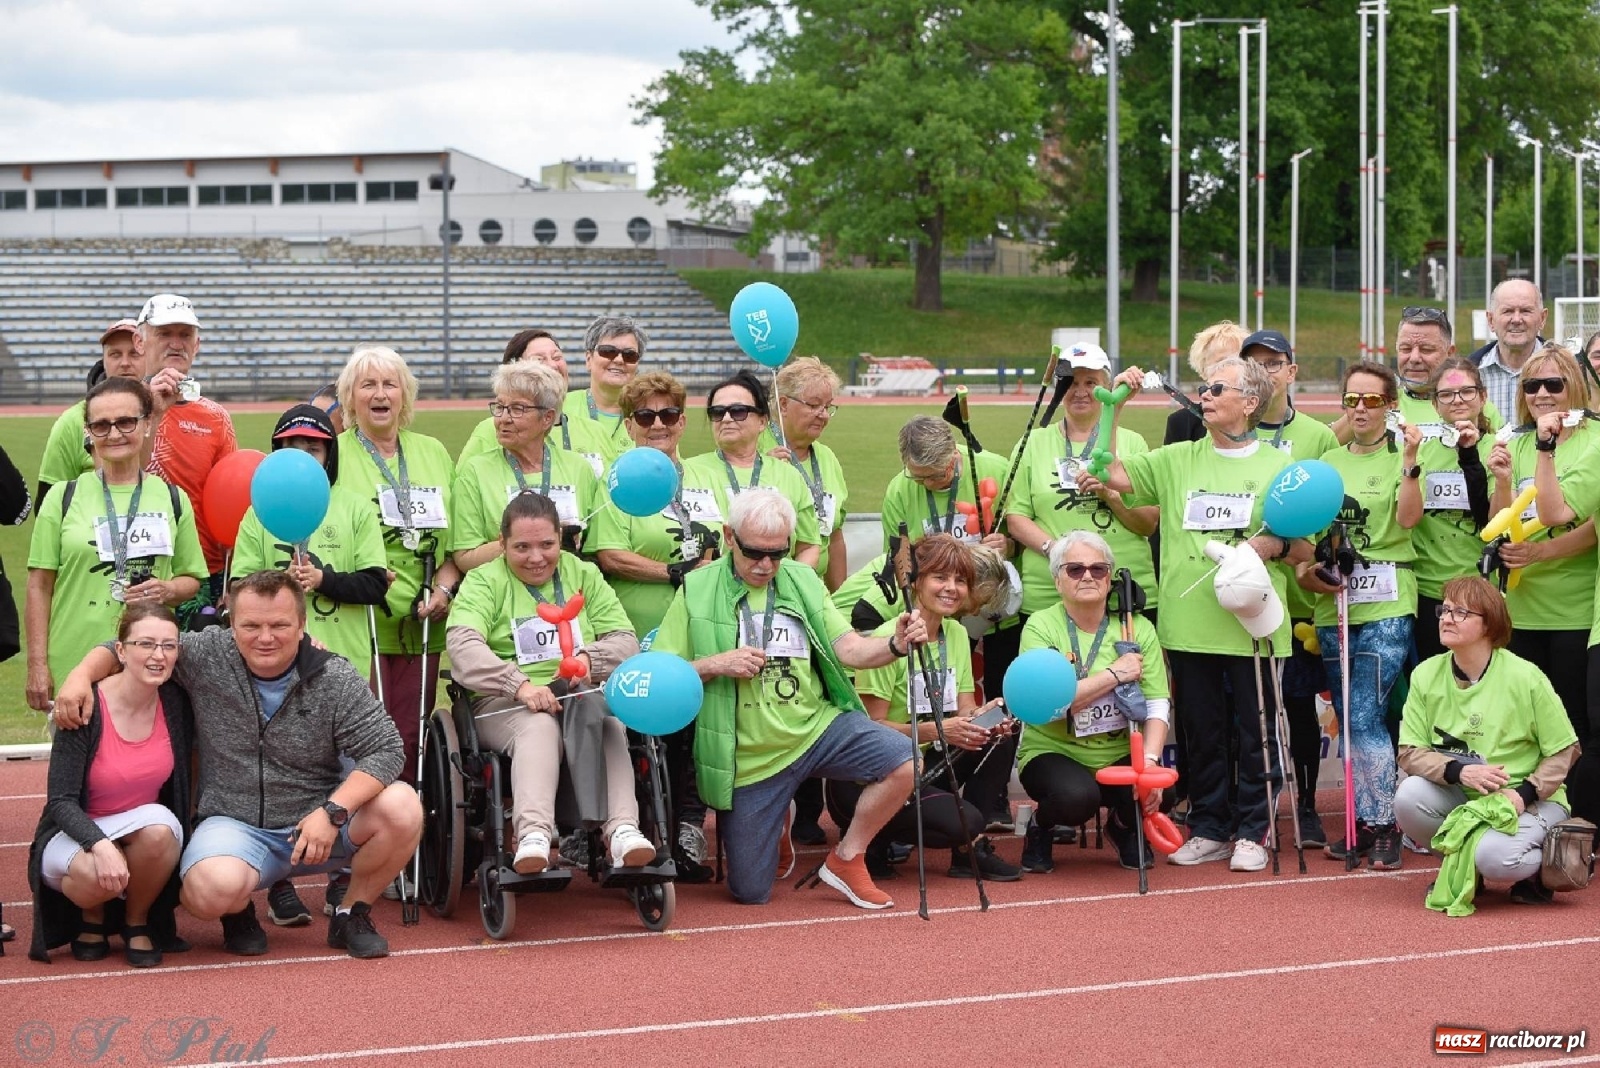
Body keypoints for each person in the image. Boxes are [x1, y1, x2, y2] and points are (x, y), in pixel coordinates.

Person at [52, 570, 422, 959]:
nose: (265, 637)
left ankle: (352, 912)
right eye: (251, 625)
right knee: (205, 892)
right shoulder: (205, 655)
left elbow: (387, 748)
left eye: (279, 625)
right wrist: (80, 675)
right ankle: (237, 910)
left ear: (301, 626)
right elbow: (128, 645)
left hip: (319, 823)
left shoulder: (334, 675)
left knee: (403, 805)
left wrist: (333, 811)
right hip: (235, 824)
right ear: (231, 625)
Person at [1080, 357, 1309, 873]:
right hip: (1187, 625)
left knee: (1258, 732)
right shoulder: (1176, 458)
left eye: (1216, 388)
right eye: (1202, 388)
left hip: (1254, 628)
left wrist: (1274, 545)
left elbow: (1304, 549)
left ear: (1250, 403)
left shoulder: (1279, 468)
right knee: (1202, 733)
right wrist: (1115, 408)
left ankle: (1254, 828)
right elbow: (1106, 471)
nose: (1203, 395)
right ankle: (1210, 825)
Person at [649, 487, 926, 909]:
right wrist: (714, 664)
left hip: (816, 728)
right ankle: (776, 815)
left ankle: (847, 858)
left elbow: (847, 647)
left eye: (777, 554)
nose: (766, 565)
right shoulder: (696, 588)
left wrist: (894, 645)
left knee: (905, 760)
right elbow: (663, 675)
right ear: (728, 537)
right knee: (750, 893)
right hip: (750, 760)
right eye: (754, 552)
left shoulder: (802, 579)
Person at [231, 402, 390, 928]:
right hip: (273, 667)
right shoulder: (258, 512)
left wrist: (324, 580)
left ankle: (344, 876)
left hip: (341, 663)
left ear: (330, 453)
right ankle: (278, 883)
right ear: (277, 453)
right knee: (280, 772)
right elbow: (235, 591)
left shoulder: (355, 507)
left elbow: (375, 584)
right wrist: (280, 595)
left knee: (350, 771)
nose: (304, 455)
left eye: (314, 446)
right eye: (293, 446)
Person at [445, 492, 654, 873]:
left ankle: (623, 830)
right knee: (538, 726)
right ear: (502, 543)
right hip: (504, 703)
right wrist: (519, 685)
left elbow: (625, 638)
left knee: (608, 718)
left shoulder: (583, 574)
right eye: (522, 547)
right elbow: (463, 647)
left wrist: (593, 658)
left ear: (561, 538)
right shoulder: (483, 581)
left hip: (580, 694)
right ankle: (534, 835)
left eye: (546, 545)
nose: (536, 557)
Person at [590, 371, 724, 868]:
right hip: (633, 627)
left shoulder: (706, 477)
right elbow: (608, 554)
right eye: (645, 415)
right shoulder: (617, 481)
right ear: (628, 425)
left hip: (696, 629)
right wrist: (674, 571)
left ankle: (689, 825)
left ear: (683, 421)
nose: (657, 424)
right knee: (631, 729)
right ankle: (622, 825)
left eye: (668, 415)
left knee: (691, 729)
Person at [1296, 362, 1419, 869]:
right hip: (1335, 603)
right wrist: (1312, 573)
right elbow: (1304, 538)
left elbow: (1409, 519)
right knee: (1349, 714)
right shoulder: (1327, 461)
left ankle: (1384, 823)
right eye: (1352, 401)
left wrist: (1410, 462)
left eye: (1372, 400)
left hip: (1389, 597)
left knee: (1366, 710)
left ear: (1391, 406)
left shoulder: (1404, 457)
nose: (1361, 410)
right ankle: (1365, 820)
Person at [846, 534, 1022, 881]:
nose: (951, 588)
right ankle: (876, 836)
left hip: (931, 758)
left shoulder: (955, 633)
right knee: (963, 820)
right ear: (916, 582)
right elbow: (869, 727)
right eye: (940, 577)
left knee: (999, 736)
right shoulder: (888, 638)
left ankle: (969, 850)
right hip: (884, 769)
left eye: (960, 580)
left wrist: (986, 717)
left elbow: (965, 709)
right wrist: (938, 730)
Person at [1395, 576, 1579, 905]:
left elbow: (1566, 750)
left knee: (1495, 858)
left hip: (1530, 801)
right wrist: (1457, 772)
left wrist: (1525, 794)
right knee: (1408, 797)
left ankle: (1544, 865)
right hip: (1464, 797)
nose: (1446, 618)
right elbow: (1410, 752)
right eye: (1445, 609)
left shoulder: (1525, 676)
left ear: (1489, 625)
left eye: (1461, 612)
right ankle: (1466, 867)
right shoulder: (1425, 674)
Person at [25, 379, 205, 714]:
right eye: (101, 425)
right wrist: (37, 664)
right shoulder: (61, 498)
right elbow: (39, 585)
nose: (114, 433)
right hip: (74, 659)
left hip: (150, 662)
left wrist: (167, 589)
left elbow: (191, 580)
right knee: (77, 764)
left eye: (126, 422)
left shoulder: (172, 498)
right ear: (88, 432)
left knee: (150, 763)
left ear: (147, 423)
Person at [28, 604, 191, 967]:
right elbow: (60, 801)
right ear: (120, 650)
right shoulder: (84, 706)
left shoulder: (174, 702)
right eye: (145, 644)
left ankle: (136, 920)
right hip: (73, 829)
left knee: (163, 830)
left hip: (136, 825)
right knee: (94, 878)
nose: (158, 655)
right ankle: (93, 917)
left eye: (169, 646)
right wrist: (99, 844)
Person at [333, 344, 460, 784]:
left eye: (390, 384)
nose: (380, 393)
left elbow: (456, 545)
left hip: (424, 619)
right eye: (368, 384)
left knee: (410, 735)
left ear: (405, 395)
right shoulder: (335, 454)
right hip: (359, 620)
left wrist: (443, 589)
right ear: (350, 397)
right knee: (361, 737)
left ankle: (405, 827)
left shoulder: (433, 452)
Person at [1016, 532, 1171, 873]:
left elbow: (1158, 702)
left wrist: (1148, 763)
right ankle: (1041, 825)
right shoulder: (1040, 627)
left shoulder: (1137, 627)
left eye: (1098, 569)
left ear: (1110, 577)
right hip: (1054, 749)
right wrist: (1114, 675)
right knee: (1076, 798)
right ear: (1057, 581)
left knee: (1165, 786)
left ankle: (1123, 826)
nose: (1087, 576)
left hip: (1118, 750)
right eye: (1074, 569)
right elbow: (1047, 705)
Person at [1486, 343, 1596, 747]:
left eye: (1554, 383)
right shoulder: (1516, 442)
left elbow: (1586, 526)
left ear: (1576, 388)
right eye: (1532, 386)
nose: (1542, 394)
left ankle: (1578, 808)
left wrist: (1541, 552)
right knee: (1528, 725)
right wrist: (1500, 482)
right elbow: (1499, 522)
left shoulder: (1594, 439)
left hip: (1574, 608)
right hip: (1521, 607)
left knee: (1574, 720)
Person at [137, 293, 238, 613]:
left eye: (185, 335)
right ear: (141, 342)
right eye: (164, 334)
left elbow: (232, 504)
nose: (175, 343)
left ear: (198, 345)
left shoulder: (216, 417)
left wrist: (232, 581)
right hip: (133, 568)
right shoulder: (121, 406)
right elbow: (111, 476)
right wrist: (150, 409)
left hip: (202, 572)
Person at [451, 361, 605, 570]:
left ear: (547, 418)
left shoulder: (578, 469)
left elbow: (593, 547)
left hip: (568, 595)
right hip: (502, 596)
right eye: (500, 407)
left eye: (517, 409)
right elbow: (465, 558)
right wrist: (534, 541)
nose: (503, 419)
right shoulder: (476, 472)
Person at [682, 369, 822, 569]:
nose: (727, 418)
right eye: (718, 412)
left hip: (774, 592)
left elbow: (808, 546)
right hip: (710, 591)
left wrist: (787, 584)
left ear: (762, 421)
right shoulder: (689, 471)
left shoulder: (788, 475)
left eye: (738, 411)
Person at [1410, 358, 1493, 661]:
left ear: (1483, 397)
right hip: (1429, 588)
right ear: (1434, 404)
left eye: (1466, 392)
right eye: (1446, 394)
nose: (1457, 400)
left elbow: (1493, 520)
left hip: (1481, 587)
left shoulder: (1499, 448)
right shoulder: (1419, 452)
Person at [459, 330, 611, 478]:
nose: (552, 365)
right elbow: (465, 482)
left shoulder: (595, 431)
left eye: (557, 357)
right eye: (539, 360)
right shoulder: (491, 430)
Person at [37, 319, 143, 502]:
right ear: (104, 360)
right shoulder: (71, 422)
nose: (125, 363)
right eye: (115, 354)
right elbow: (47, 504)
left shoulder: (165, 415)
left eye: (134, 353)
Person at [767, 357, 850, 590]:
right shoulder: (756, 453)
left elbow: (833, 536)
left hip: (813, 589)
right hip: (768, 587)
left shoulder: (827, 458)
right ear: (783, 404)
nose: (823, 415)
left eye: (827, 407)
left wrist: (838, 601)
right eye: (813, 405)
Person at [562, 315, 648, 467]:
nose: (619, 360)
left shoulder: (654, 416)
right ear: (589, 359)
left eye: (629, 355)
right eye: (608, 351)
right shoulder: (560, 408)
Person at [1469, 279, 1548, 420]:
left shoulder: (1568, 370)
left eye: (1525, 311)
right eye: (1507, 311)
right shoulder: (1471, 372)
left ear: (1542, 318)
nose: (1516, 319)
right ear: (1491, 320)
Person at [1163, 320, 1248, 444]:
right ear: (1203, 368)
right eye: (1222, 362)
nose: (1230, 367)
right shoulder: (1183, 423)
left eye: (1237, 360)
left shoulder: (1263, 417)